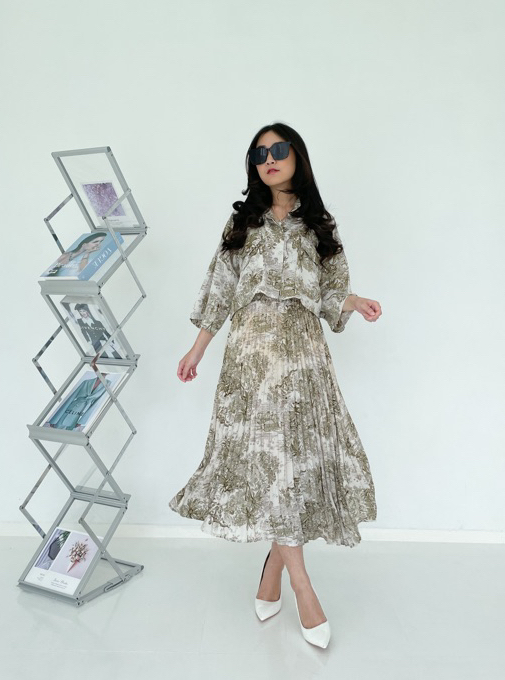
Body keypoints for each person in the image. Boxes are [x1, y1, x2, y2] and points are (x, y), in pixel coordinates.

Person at [169, 122, 381, 648]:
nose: (269, 159)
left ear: (297, 157)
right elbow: (220, 288)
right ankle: (303, 586)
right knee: (271, 462)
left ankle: (273, 568)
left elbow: (330, 291)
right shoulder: (242, 223)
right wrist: (197, 348)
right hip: (252, 356)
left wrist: (354, 301)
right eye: (260, 153)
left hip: (304, 356)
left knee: (295, 464)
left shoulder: (320, 225)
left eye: (279, 149)